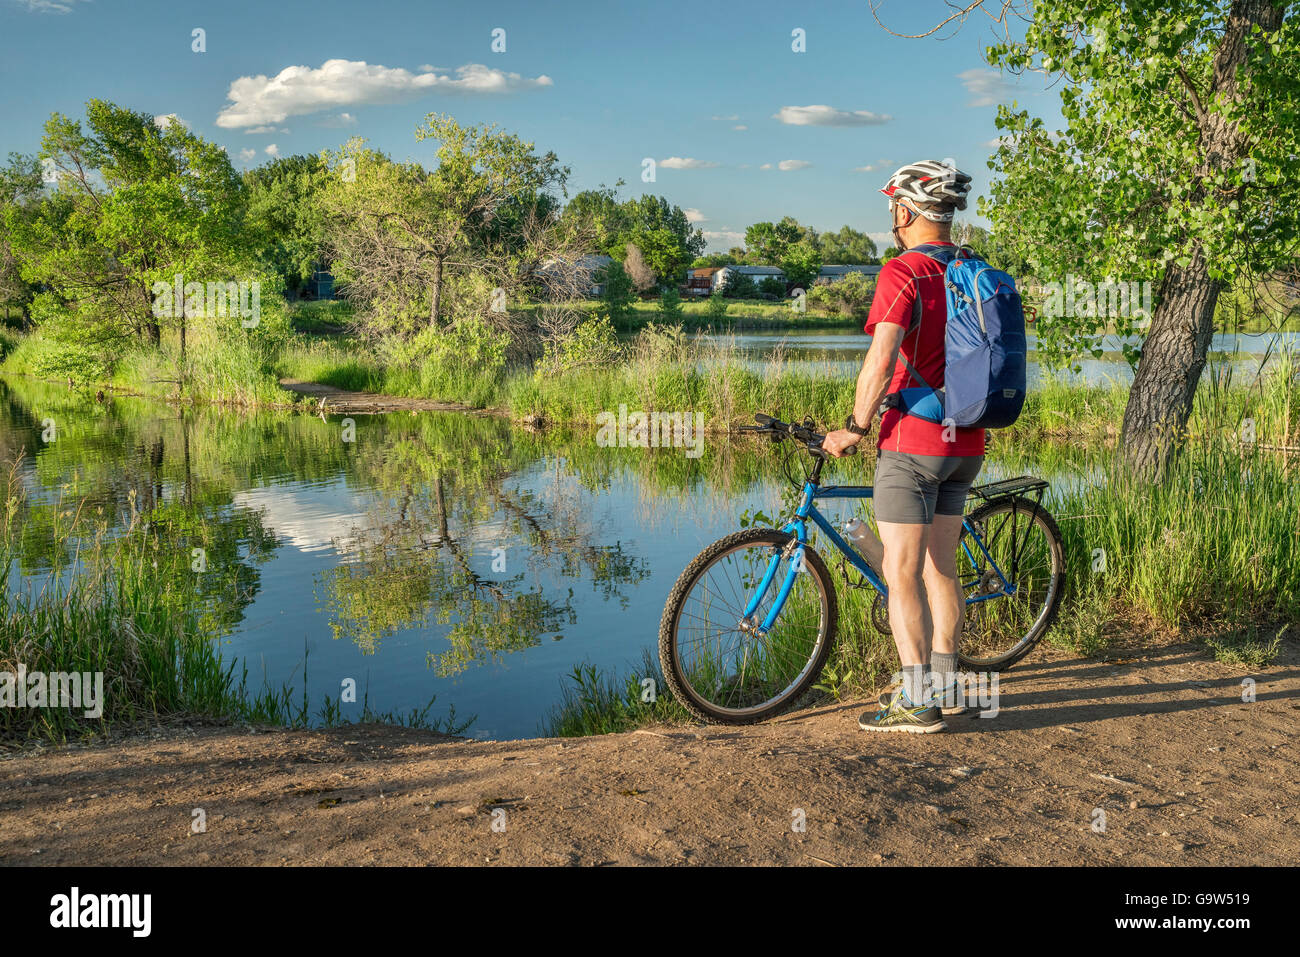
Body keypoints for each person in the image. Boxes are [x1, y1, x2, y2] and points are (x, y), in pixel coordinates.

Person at [822, 160, 983, 733]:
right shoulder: (975, 269)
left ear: (906, 211)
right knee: (943, 568)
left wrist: (855, 426)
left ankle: (917, 701)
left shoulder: (903, 272)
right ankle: (947, 686)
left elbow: (881, 358)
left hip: (914, 442)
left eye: (893, 205)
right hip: (967, 441)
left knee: (902, 572)